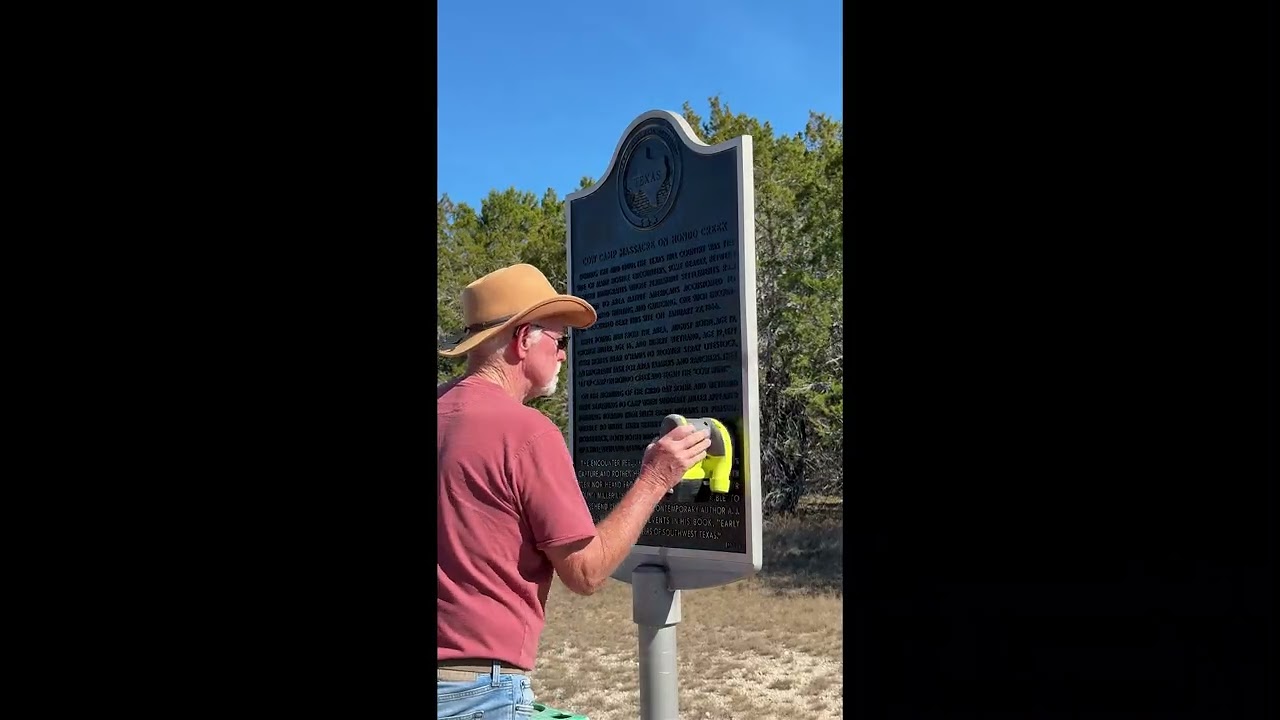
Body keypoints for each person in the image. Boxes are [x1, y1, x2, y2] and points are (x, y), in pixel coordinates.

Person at [436, 263, 710, 719]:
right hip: (479, 693)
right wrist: (655, 479)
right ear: (524, 340)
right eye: (559, 341)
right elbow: (586, 573)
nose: (563, 356)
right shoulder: (526, 432)